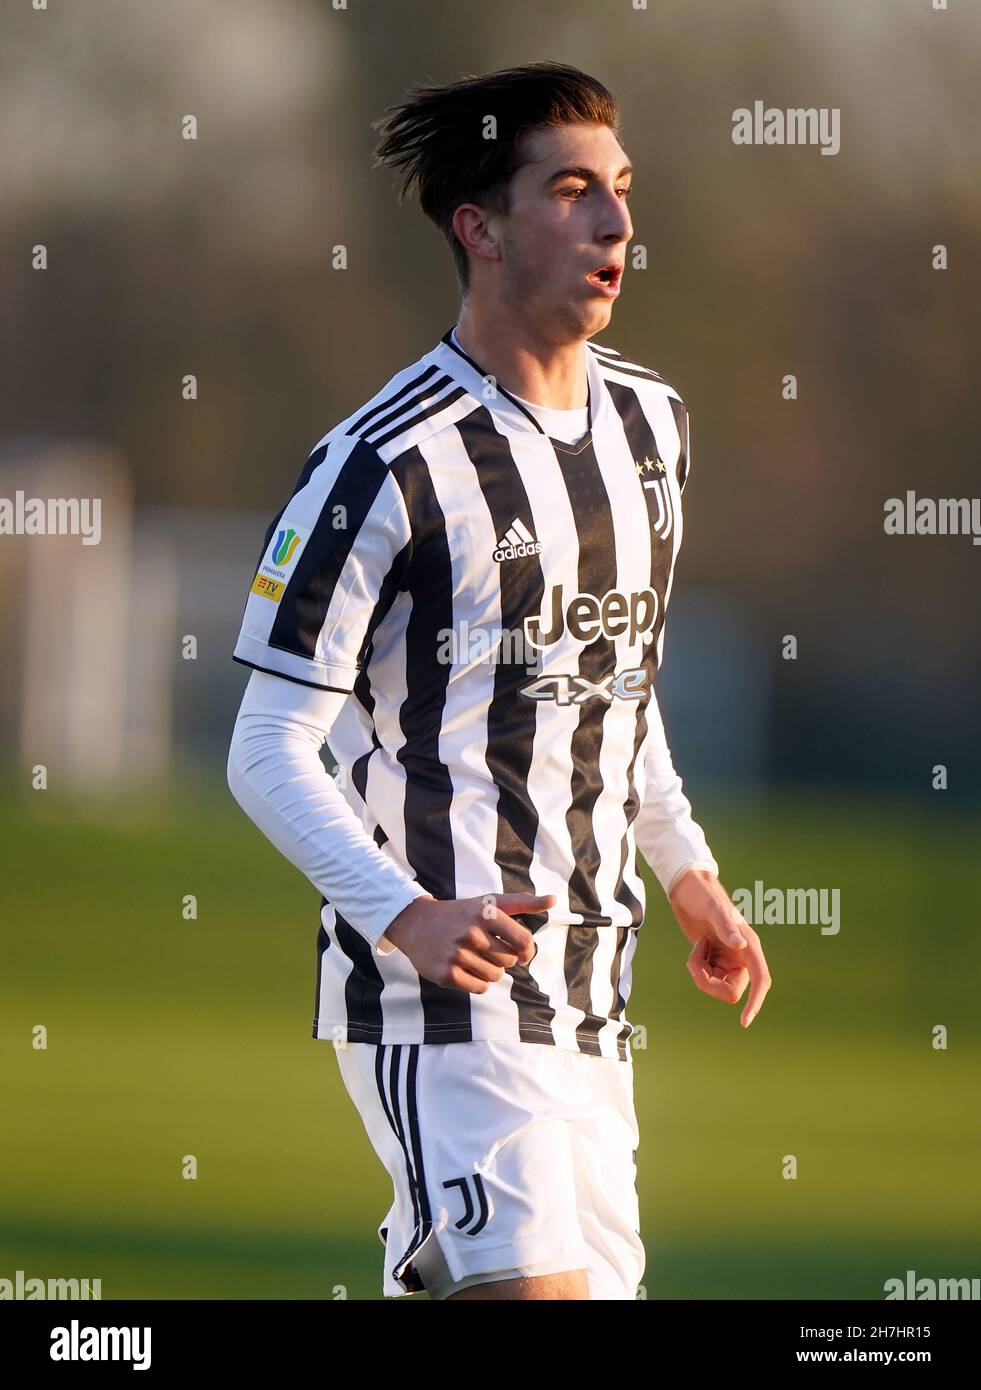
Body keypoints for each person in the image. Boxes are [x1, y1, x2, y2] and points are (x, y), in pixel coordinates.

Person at [227, 61, 772, 1302]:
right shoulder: (379, 463)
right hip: (445, 1004)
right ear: (478, 226)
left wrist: (682, 867)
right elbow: (265, 745)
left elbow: (617, 686)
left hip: (597, 995)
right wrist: (401, 911)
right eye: (572, 190)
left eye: (622, 190)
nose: (617, 223)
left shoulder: (654, 427)